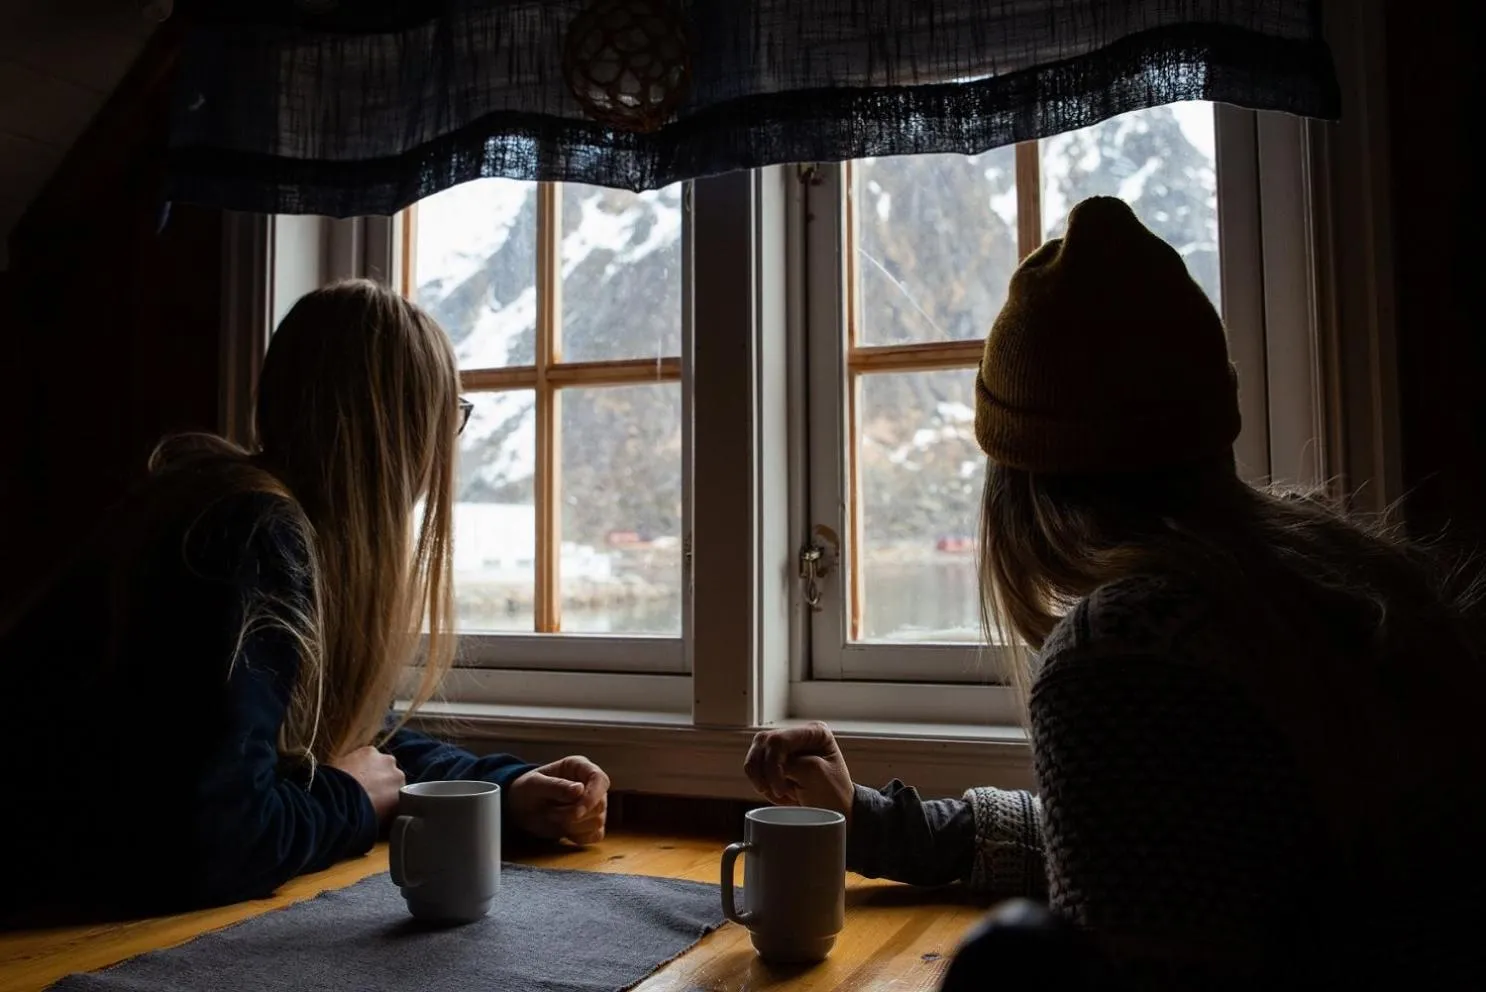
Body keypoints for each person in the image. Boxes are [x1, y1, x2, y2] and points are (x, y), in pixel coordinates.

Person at [746, 198, 1485, 985]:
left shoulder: (1125, 650)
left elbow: (1145, 922)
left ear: (1022, 474)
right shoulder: (1346, 580)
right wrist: (873, 821)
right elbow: (1156, 846)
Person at [1, 280, 609, 920]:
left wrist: (506, 788)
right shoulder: (251, 537)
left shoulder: (245, 517)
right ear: (402, 431)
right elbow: (216, 838)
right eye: (446, 416)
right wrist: (350, 799)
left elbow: (356, 746)